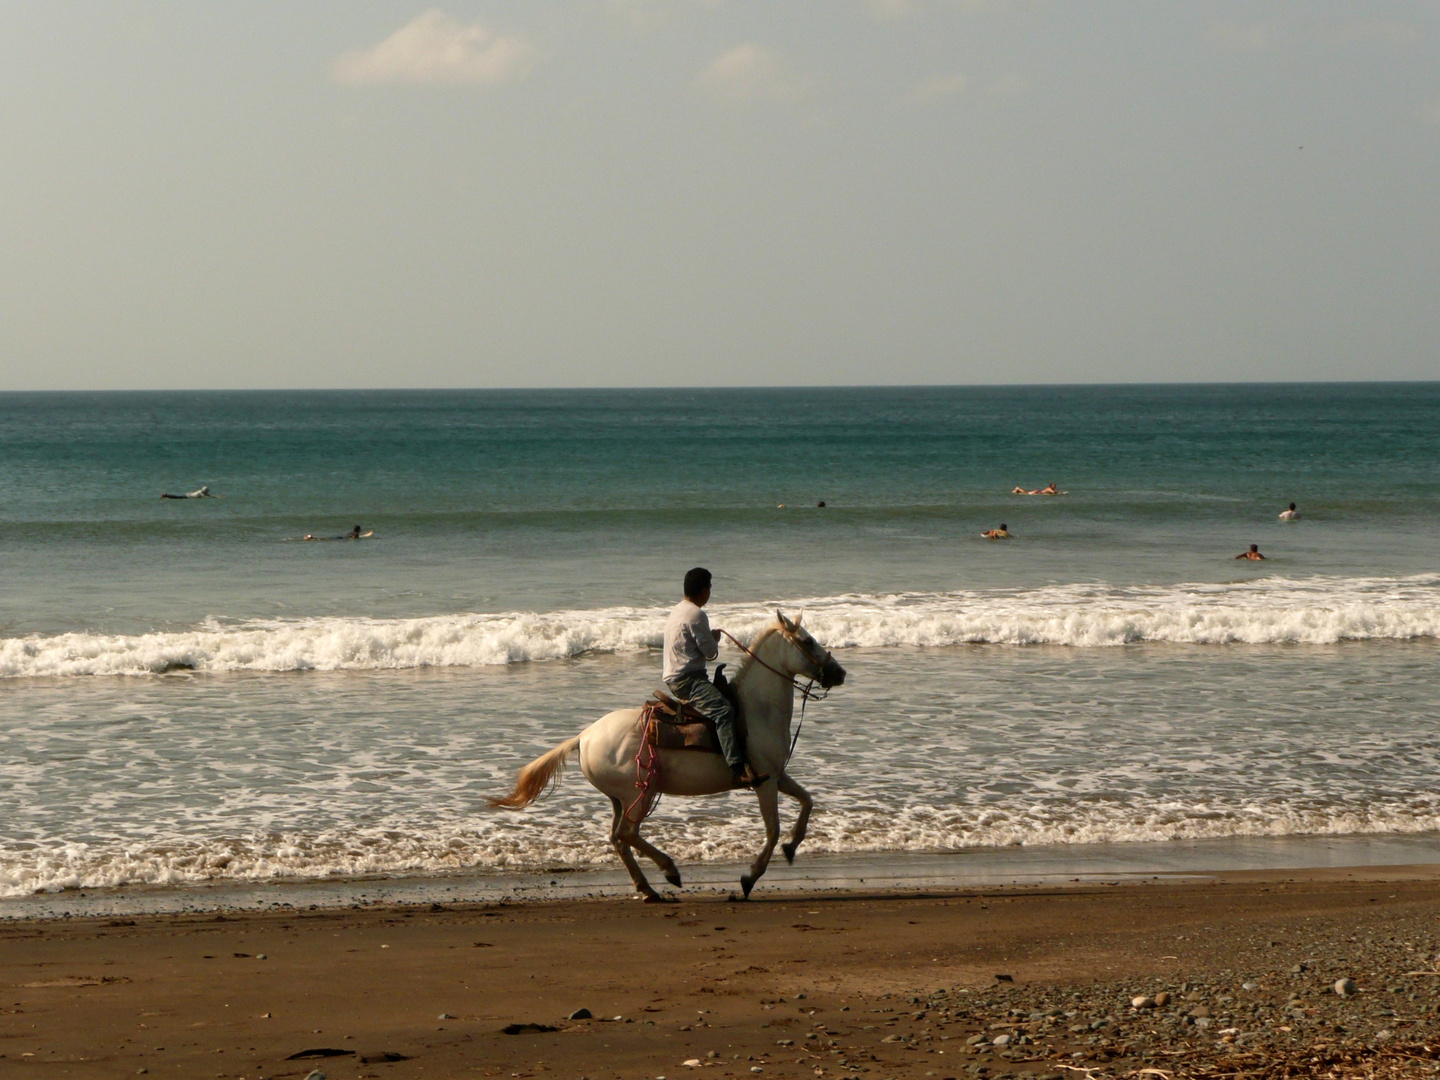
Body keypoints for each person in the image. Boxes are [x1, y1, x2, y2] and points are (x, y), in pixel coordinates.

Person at [663, 567, 767, 788]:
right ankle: (737, 770)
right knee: (724, 711)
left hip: (676, 675)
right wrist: (715, 638)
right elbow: (710, 653)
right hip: (688, 680)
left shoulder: (678, 610)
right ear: (703, 590)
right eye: (709, 587)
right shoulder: (697, 614)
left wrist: (707, 638)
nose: (710, 591)